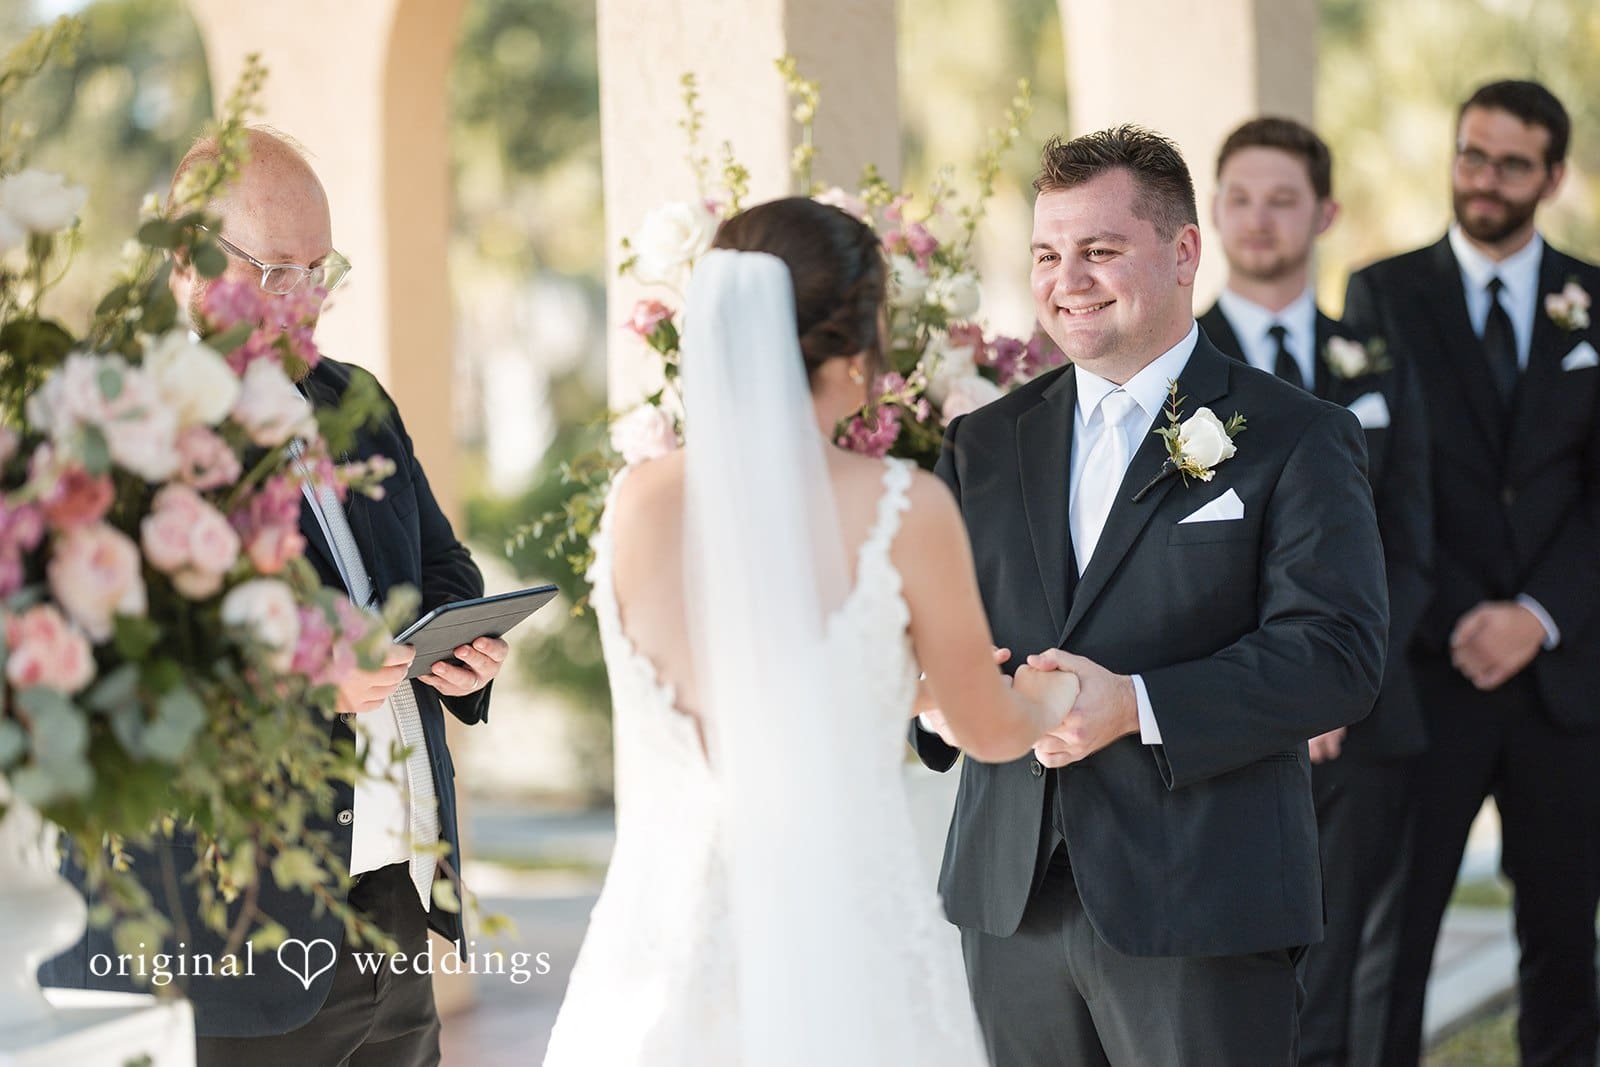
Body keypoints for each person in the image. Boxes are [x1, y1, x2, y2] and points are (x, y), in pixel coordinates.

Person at [541, 196, 1080, 1067]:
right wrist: (1051, 691)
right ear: (863, 342)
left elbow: (741, 681)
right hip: (840, 943)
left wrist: (896, 684)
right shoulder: (900, 506)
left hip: (656, 943)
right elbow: (988, 729)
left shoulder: (636, 502)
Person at [911, 125, 1389, 1065]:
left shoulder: (1297, 435)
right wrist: (940, 705)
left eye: (1100, 250)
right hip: (1009, 901)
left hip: (1202, 897)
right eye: (1049, 253)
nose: (1067, 278)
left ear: (1183, 253)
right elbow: (930, 643)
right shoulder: (983, 444)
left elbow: (1337, 654)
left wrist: (1131, 704)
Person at [41, 128, 507, 1067]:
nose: (307, 297)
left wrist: (461, 656)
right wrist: (304, 688)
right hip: (247, 937)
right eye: (275, 270)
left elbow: (446, 569)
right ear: (184, 261)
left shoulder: (358, 398)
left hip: (399, 904)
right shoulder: (126, 436)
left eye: (319, 267)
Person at [1344, 80, 1600, 1067]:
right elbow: (1377, 485)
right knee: (1392, 945)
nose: (1482, 180)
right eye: (1469, 154)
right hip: (1428, 669)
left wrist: (1535, 614)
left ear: (1552, 176)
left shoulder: (1593, 296)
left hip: (1564, 675)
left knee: (1562, 948)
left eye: (1508, 163)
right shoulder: (1380, 293)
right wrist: (1462, 614)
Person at [1199, 116, 1433, 1067]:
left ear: (1325, 212)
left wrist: (1335, 682)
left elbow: (1412, 541)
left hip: (1365, 722)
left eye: (1283, 198)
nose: (1259, 220)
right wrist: (1275, 693)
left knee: (1350, 978)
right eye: (1240, 199)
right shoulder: (1173, 363)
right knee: (1234, 980)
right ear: (1210, 215)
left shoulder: (1372, 356)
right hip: (1225, 725)